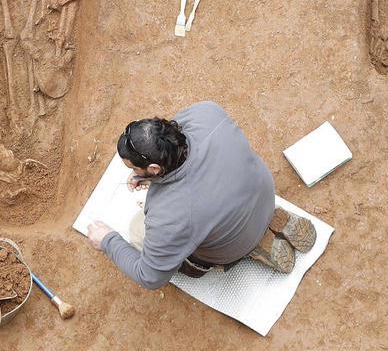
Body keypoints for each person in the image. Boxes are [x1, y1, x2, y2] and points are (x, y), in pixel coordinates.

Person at [86, 101, 317, 289]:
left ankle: (252, 248)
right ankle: (265, 224)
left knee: (138, 230)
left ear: (155, 168)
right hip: (264, 194)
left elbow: (150, 277)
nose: (134, 173)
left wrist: (108, 240)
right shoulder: (206, 113)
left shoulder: (169, 214)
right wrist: (146, 175)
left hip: (234, 242)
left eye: (134, 168)